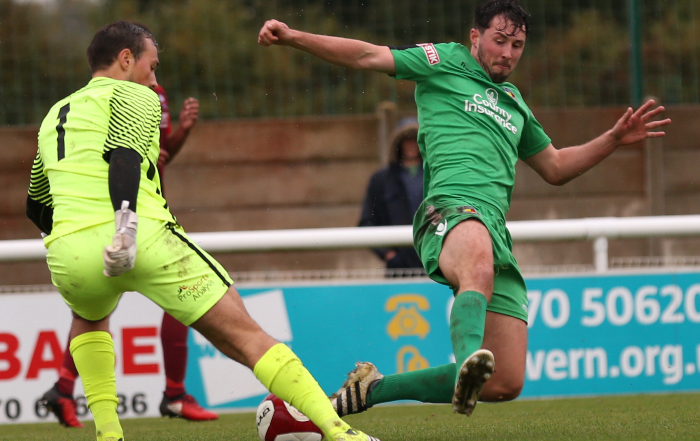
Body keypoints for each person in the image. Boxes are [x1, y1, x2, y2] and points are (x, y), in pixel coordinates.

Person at [258, 0, 670, 418]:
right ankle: (469, 362)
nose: (508, 53)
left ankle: (373, 389)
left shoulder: (514, 103)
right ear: (475, 37)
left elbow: (557, 166)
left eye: (518, 45)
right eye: (500, 41)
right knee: (477, 267)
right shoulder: (442, 61)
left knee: (506, 381)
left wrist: (613, 140)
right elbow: (367, 55)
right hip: (449, 209)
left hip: (494, 229)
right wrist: (294, 37)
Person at [27, 21, 379, 441]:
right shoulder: (137, 95)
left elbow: (35, 204)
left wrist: (75, 243)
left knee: (89, 319)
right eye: (151, 66)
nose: (155, 79)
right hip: (140, 235)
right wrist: (123, 226)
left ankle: (110, 436)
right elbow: (122, 157)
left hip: (67, 250)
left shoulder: (55, 115)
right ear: (126, 59)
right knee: (247, 336)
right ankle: (340, 433)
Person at [39, 87, 215, 427]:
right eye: (150, 62)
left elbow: (160, 154)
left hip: (143, 208)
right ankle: (174, 394)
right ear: (127, 57)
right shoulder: (107, 97)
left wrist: (181, 133)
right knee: (177, 292)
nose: (153, 72)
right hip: (122, 214)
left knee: (95, 308)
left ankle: (63, 389)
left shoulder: (154, 94)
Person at [359, 118, 425, 275]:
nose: (411, 144)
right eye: (406, 140)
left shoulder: (436, 175)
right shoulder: (381, 179)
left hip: (435, 261)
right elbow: (367, 222)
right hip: (399, 267)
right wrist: (387, 253)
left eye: (415, 139)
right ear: (398, 144)